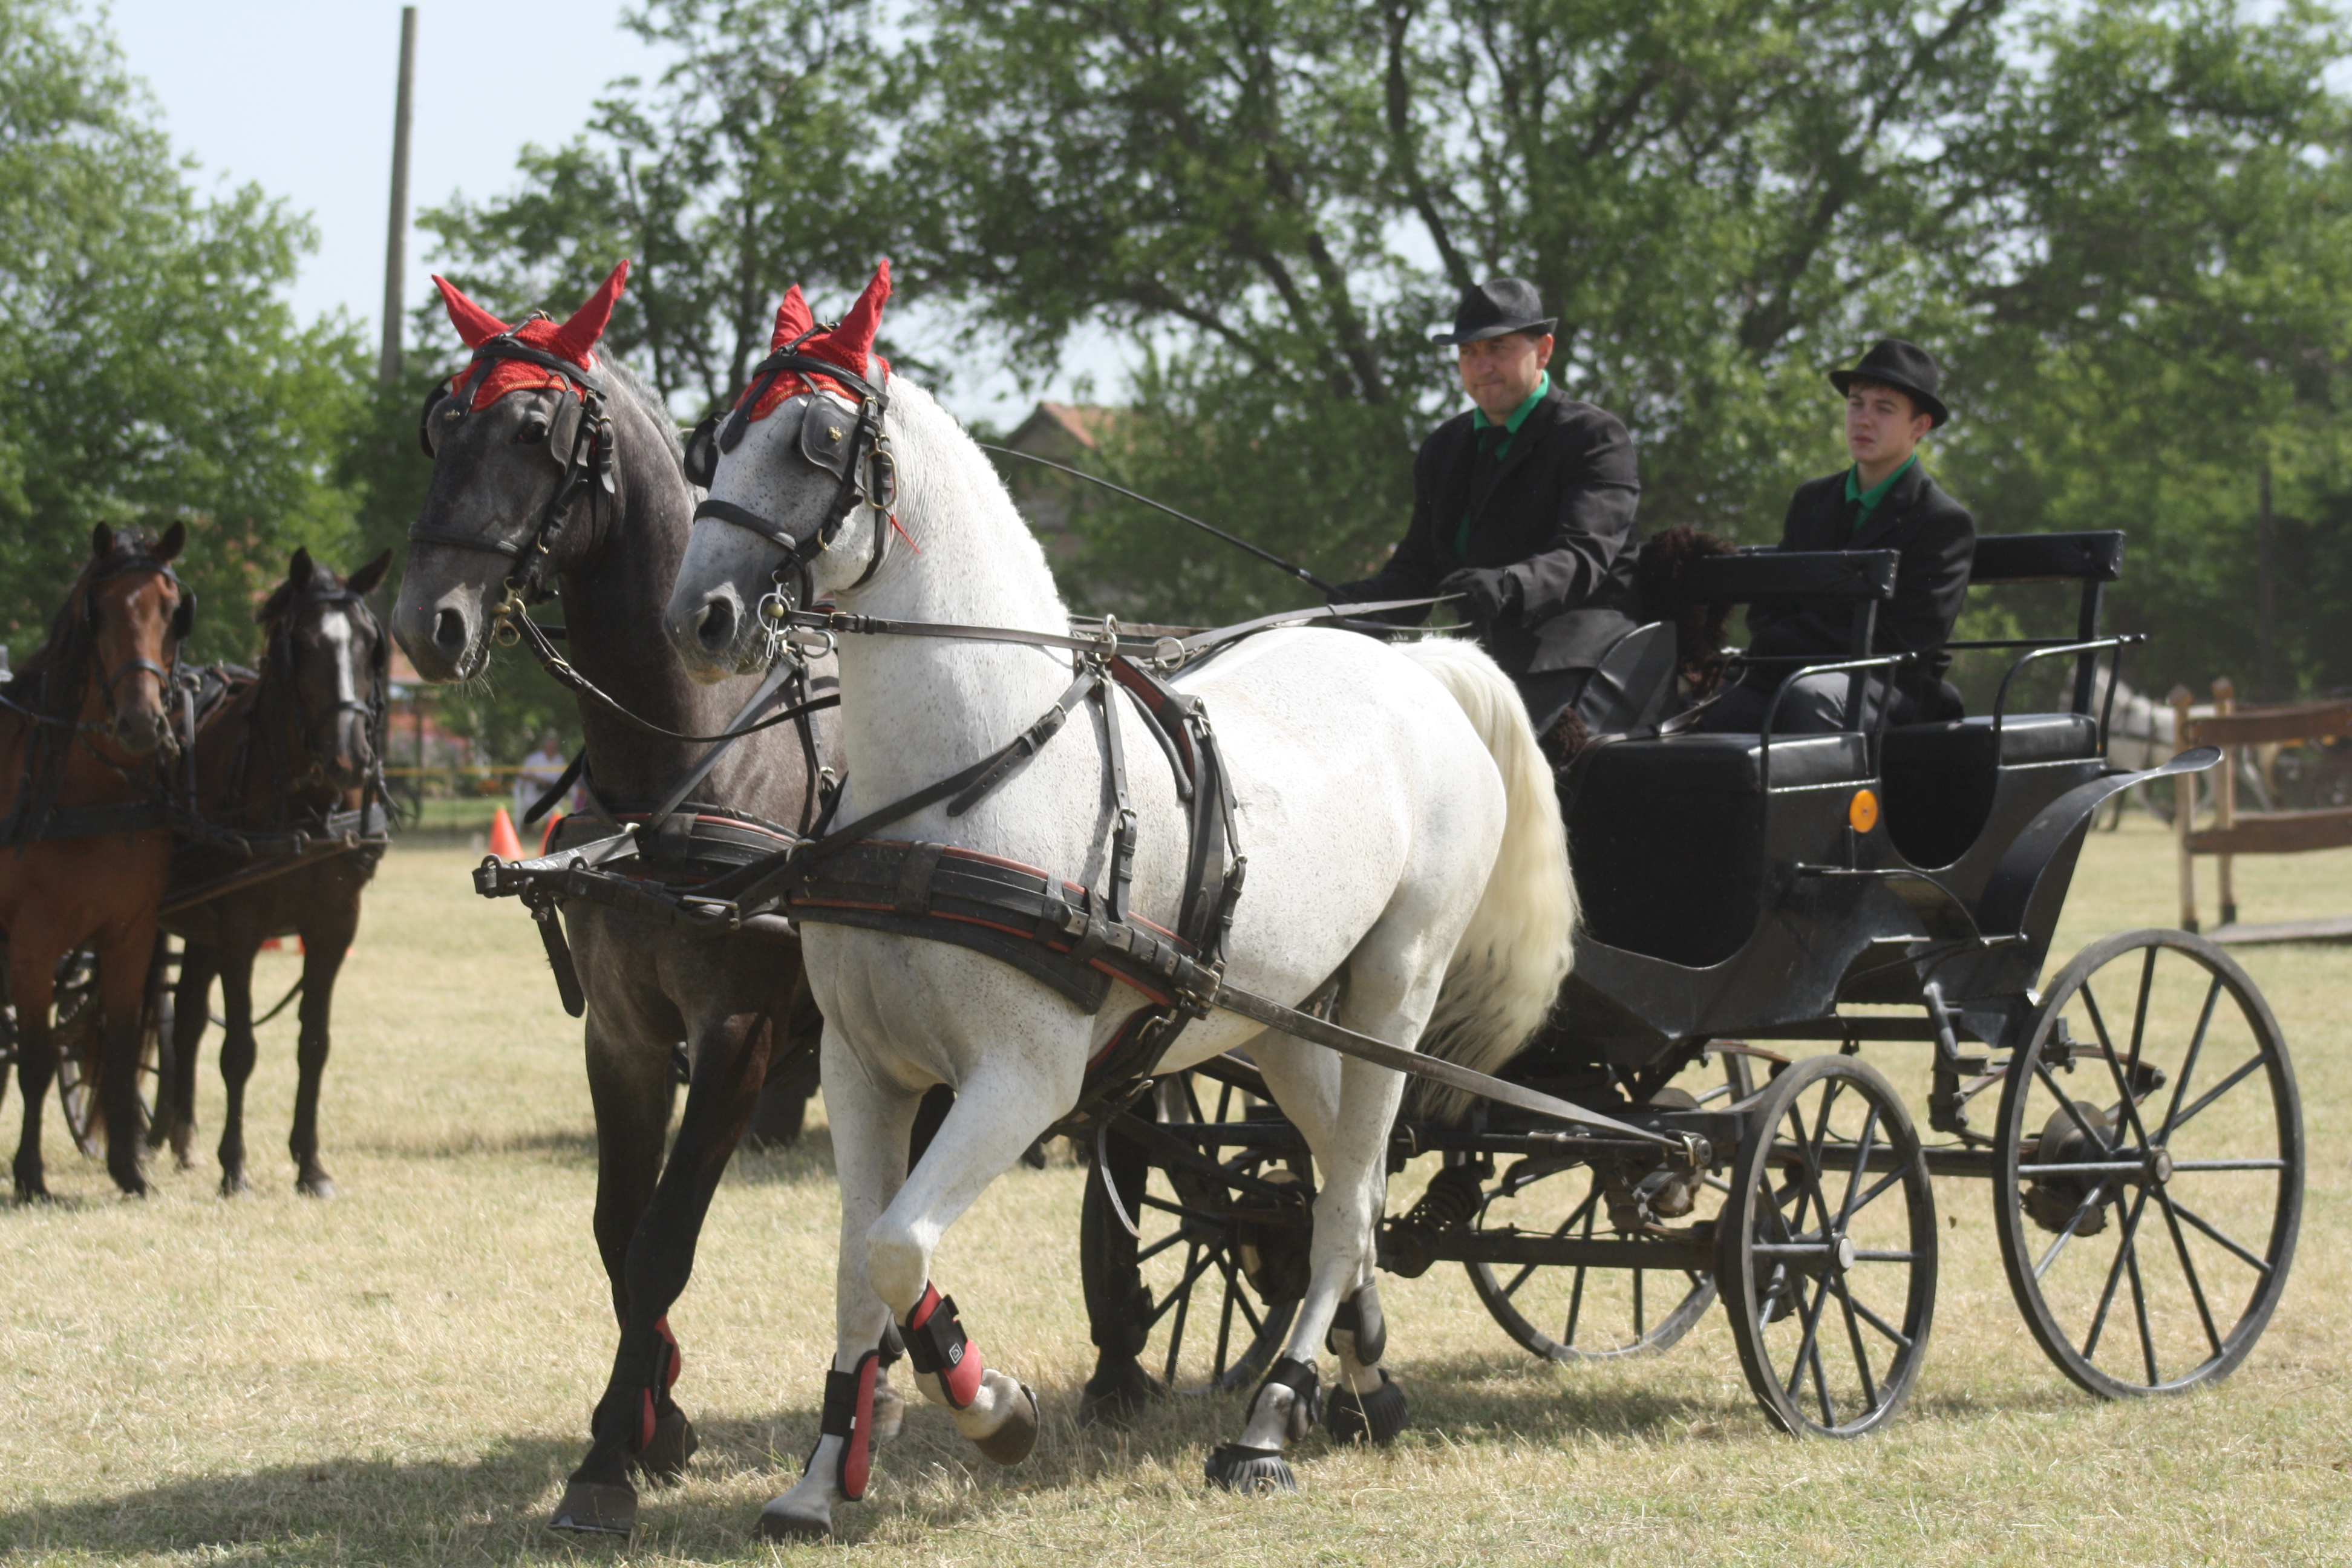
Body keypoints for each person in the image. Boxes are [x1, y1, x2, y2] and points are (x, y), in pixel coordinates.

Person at [1330, 277, 1642, 739]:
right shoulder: (1445, 447)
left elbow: (1582, 556)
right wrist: (1361, 606)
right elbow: (1419, 568)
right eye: (1468, 353)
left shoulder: (1594, 438)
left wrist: (1510, 585)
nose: (1482, 366)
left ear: (1544, 350)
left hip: (1577, 654)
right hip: (1478, 659)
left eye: (1498, 348)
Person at [1701, 338, 1975, 734]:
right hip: (1791, 671)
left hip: (1889, 687)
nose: (1863, 420)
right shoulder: (1812, 500)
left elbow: (1907, 639)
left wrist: (1789, 643)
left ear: (1919, 426)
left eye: (1884, 409)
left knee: (1811, 697)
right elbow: (1770, 605)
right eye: (1856, 404)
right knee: (1705, 706)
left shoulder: (1941, 520)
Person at [514, 729, 571, 822]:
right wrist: (538, 780)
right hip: (534, 792)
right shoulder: (534, 759)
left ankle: (549, 825)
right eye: (549, 746)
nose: (552, 749)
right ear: (544, 746)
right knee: (530, 806)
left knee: (555, 809)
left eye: (554, 747)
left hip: (552, 793)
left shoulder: (560, 760)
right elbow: (523, 775)